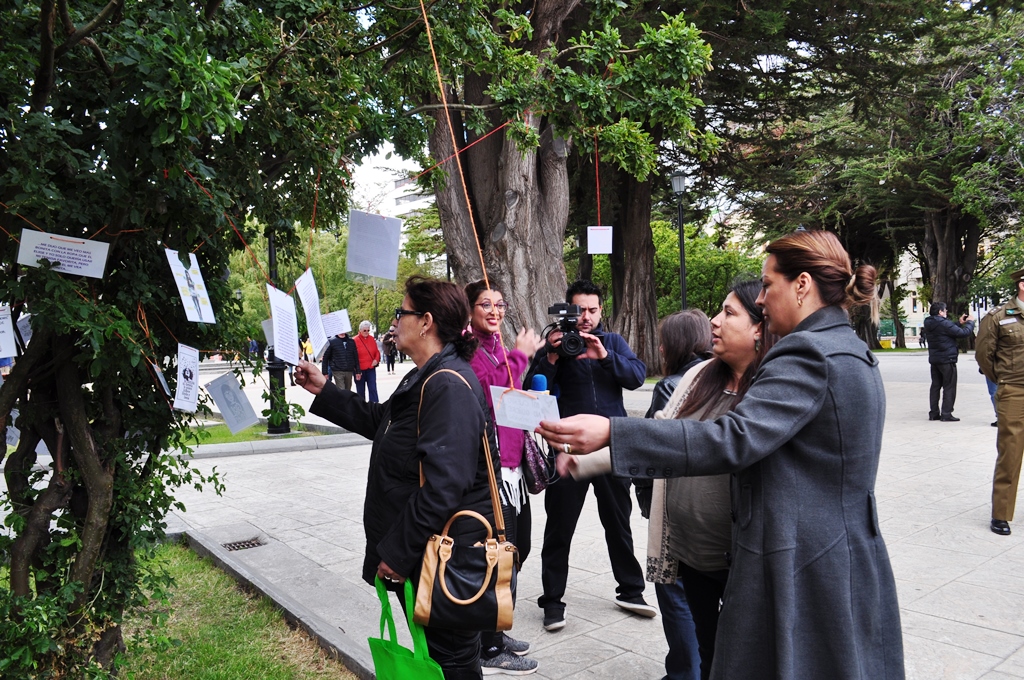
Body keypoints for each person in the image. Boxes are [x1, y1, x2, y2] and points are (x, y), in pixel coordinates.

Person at [539, 230, 904, 679]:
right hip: (829, 551)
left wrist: (614, 432)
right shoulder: (845, 348)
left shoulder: (808, 353)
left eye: (769, 285)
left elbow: (731, 439)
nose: (764, 301)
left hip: (808, 559)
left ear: (802, 285)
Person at [294, 276, 501, 680]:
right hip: (428, 554)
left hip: (446, 559)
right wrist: (324, 390)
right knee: (439, 659)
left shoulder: (447, 386)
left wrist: (398, 551)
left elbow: (444, 486)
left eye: (400, 312)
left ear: (425, 322)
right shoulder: (424, 376)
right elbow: (383, 422)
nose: (394, 321)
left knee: (452, 663)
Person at [524, 279, 652, 632]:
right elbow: (531, 390)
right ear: (567, 310)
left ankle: (631, 590)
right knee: (559, 527)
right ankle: (552, 601)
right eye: (578, 310)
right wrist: (551, 356)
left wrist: (606, 357)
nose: (586, 317)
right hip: (567, 451)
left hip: (613, 447)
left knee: (618, 522)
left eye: (593, 310)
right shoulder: (557, 345)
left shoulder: (612, 342)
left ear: (600, 311)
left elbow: (637, 377)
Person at [464, 280, 544, 676]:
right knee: (500, 559)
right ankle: (489, 646)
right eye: (485, 305)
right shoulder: (470, 348)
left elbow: (512, 394)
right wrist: (520, 356)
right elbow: (490, 390)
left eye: (499, 304)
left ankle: (494, 630)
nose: (494, 311)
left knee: (518, 549)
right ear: (469, 310)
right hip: (491, 470)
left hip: (512, 469)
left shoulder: (497, 344)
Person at [644, 308, 713, 680]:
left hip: (677, 509)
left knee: (675, 594)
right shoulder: (721, 376)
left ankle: (684, 673)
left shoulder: (672, 384)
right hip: (714, 514)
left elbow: (654, 449)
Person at [976, 267, 1024, 536]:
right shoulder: (998, 317)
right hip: (1014, 391)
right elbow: (984, 356)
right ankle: (1001, 515)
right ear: (1022, 284)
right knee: (1011, 453)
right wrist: (1005, 380)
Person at [922, 301, 974, 422]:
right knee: (949, 386)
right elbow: (963, 333)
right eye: (945, 310)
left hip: (935, 359)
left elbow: (947, 330)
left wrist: (959, 323)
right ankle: (946, 413)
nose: (946, 312)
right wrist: (970, 323)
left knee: (935, 385)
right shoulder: (943, 323)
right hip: (947, 359)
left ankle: (934, 413)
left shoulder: (929, 322)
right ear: (940, 312)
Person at [354, 320, 382, 402]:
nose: (367, 332)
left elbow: (377, 352)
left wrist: (376, 360)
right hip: (359, 369)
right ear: (360, 330)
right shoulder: (354, 340)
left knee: (373, 388)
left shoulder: (371, 339)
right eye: (364, 330)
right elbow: (352, 356)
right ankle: (361, 408)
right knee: (360, 391)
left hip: (370, 368)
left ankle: (374, 406)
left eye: (368, 330)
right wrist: (356, 369)